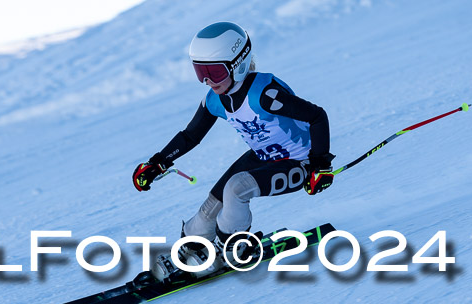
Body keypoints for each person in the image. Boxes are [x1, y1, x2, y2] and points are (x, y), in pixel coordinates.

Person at [132, 22, 335, 279]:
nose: (207, 81)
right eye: (200, 72)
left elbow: (317, 117)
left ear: (238, 64)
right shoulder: (215, 99)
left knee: (236, 189)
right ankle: (196, 247)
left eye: (214, 72)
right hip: (262, 156)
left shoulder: (265, 94)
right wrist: (158, 163)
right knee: (203, 219)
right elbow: (190, 135)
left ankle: (232, 248)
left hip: (299, 162)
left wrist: (321, 166)